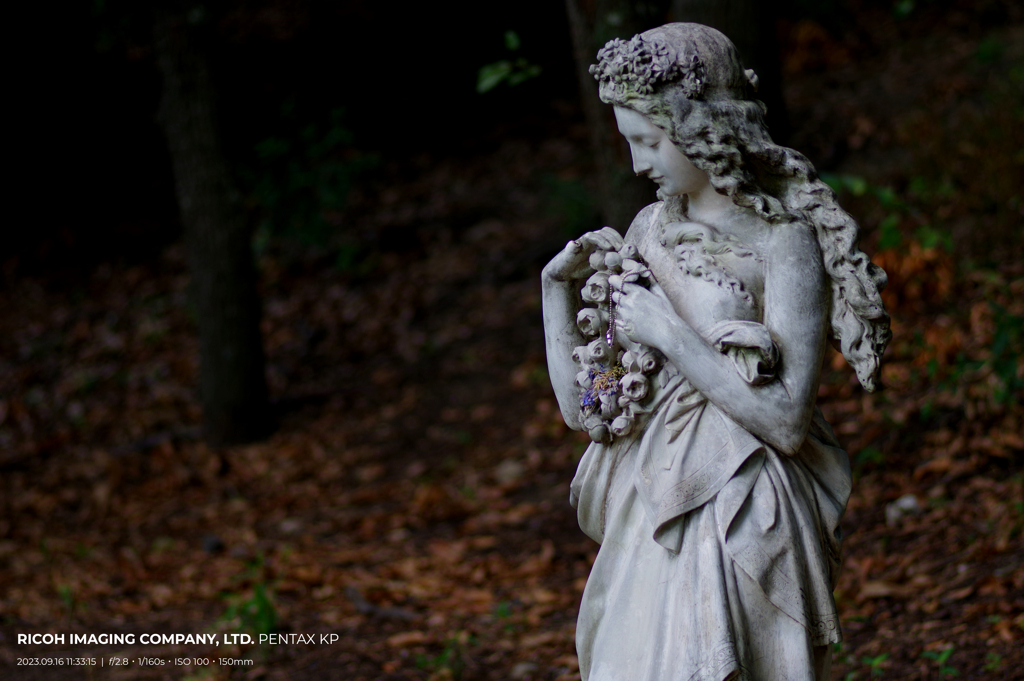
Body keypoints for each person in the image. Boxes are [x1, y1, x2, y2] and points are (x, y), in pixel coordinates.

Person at [541, 23, 890, 681]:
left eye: (648, 141)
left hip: (743, 503)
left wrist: (670, 334)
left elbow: (787, 421)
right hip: (650, 502)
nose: (639, 164)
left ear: (699, 128)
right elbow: (590, 414)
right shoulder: (649, 231)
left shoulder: (783, 243)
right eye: (629, 144)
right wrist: (553, 294)